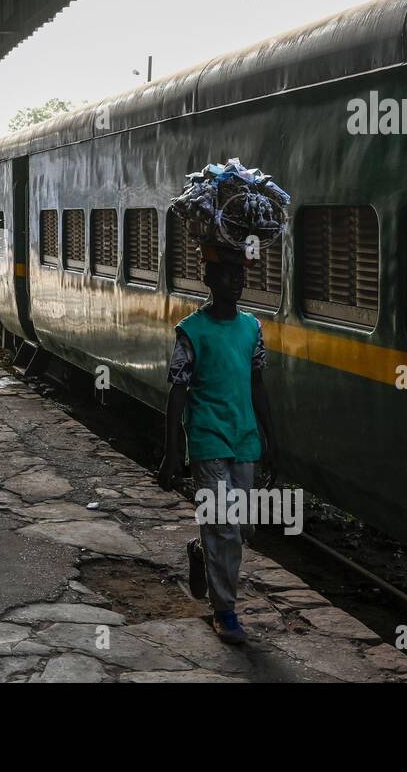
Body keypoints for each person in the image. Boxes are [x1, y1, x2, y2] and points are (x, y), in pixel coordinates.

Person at [157, 247, 280, 645]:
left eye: (241, 275)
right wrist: (173, 450)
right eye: (228, 275)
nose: (237, 282)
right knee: (224, 527)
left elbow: (257, 384)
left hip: (244, 440)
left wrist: (272, 440)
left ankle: (200, 548)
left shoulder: (252, 328)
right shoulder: (191, 331)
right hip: (208, 440)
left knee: (243, 528)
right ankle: (224, 611)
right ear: (209, 280)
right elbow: (177, 391)